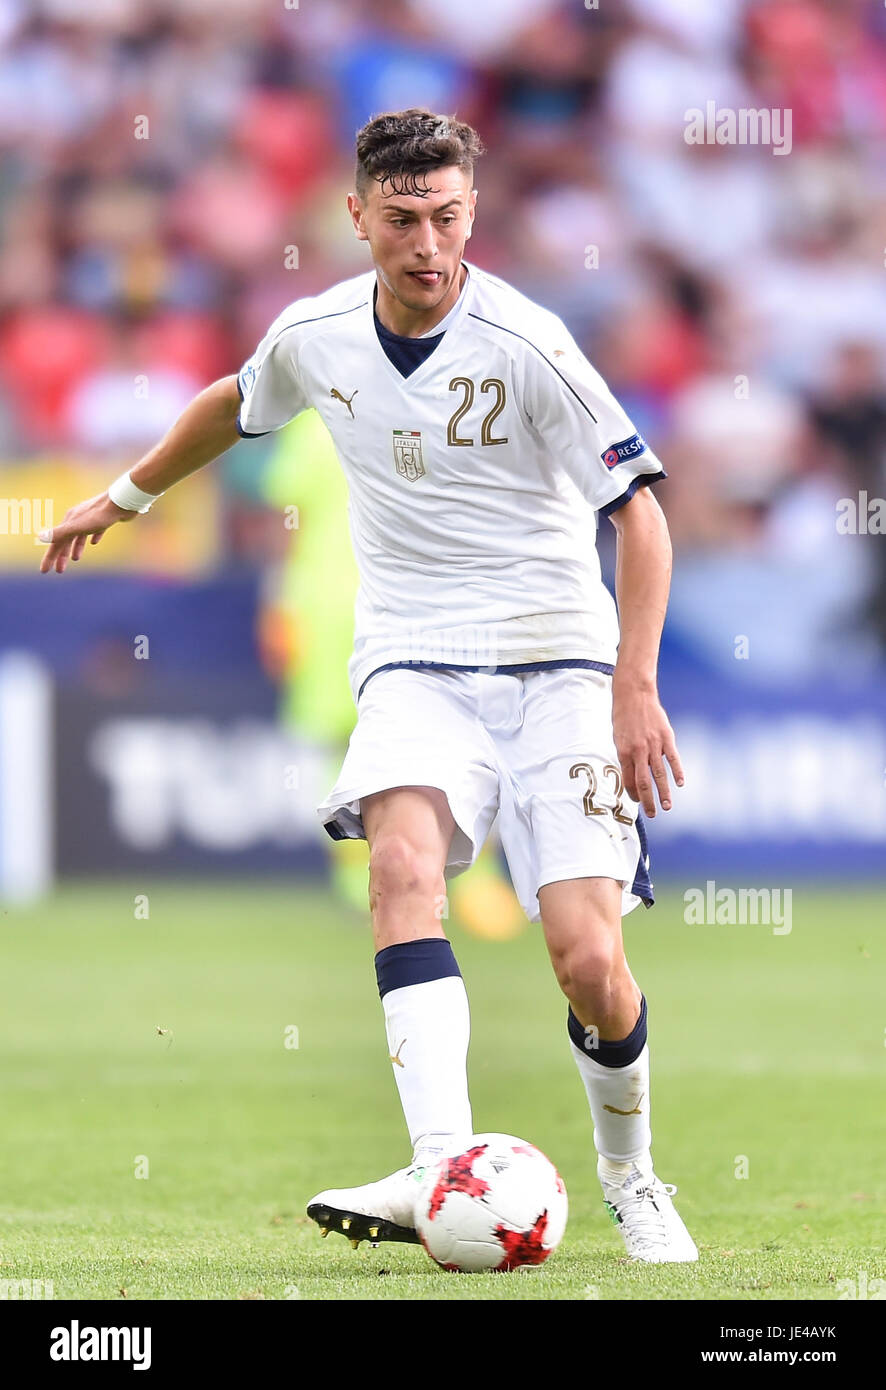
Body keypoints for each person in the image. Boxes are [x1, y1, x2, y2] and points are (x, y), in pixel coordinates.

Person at [40, 108, 696, 1263]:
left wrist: (633, 684)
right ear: (358, 218)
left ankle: (632, 1175)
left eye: (447, 217)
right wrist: (127, 496)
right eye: (402, 220)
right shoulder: (318, 333)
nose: (428, 243)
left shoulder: (530, 343)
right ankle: (439, 1161)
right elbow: (231, 404)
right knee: (400, 869)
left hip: (559, 662)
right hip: (414, 657)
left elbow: (639, 512)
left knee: (588, 961)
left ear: (472, 214)